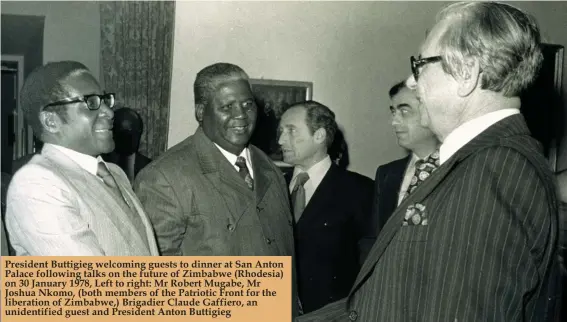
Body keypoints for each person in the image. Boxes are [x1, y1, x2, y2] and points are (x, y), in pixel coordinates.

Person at [298, 2, 560, 321]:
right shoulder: (480, 161)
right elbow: (387, 299)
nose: (411, 81)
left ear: (466, 74)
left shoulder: (493, 170)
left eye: (420, 64)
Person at [5, 61, 159, 256]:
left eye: (105, 100)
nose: (110, 112)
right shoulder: (36, 184)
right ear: (51, 121)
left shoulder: (114, 173)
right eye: (91, 102)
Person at [278, 101, 373, 314]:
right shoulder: (272, 187)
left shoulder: (360, 190)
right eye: (281, 131)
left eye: (291, 131)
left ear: (319, 135)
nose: (281, 140)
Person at [374, 81, 439, 234]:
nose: (394, 122)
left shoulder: (462, 167)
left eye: (404, 112)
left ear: (430, 113)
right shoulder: (387, 174)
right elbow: (373, 238)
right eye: (393, 112)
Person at [102, 107, 152, 183]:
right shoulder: (100, 164)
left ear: (140, 132)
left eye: (132, 133)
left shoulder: (149, 166)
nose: (127, 139)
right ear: (112, 133)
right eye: (122, 133)